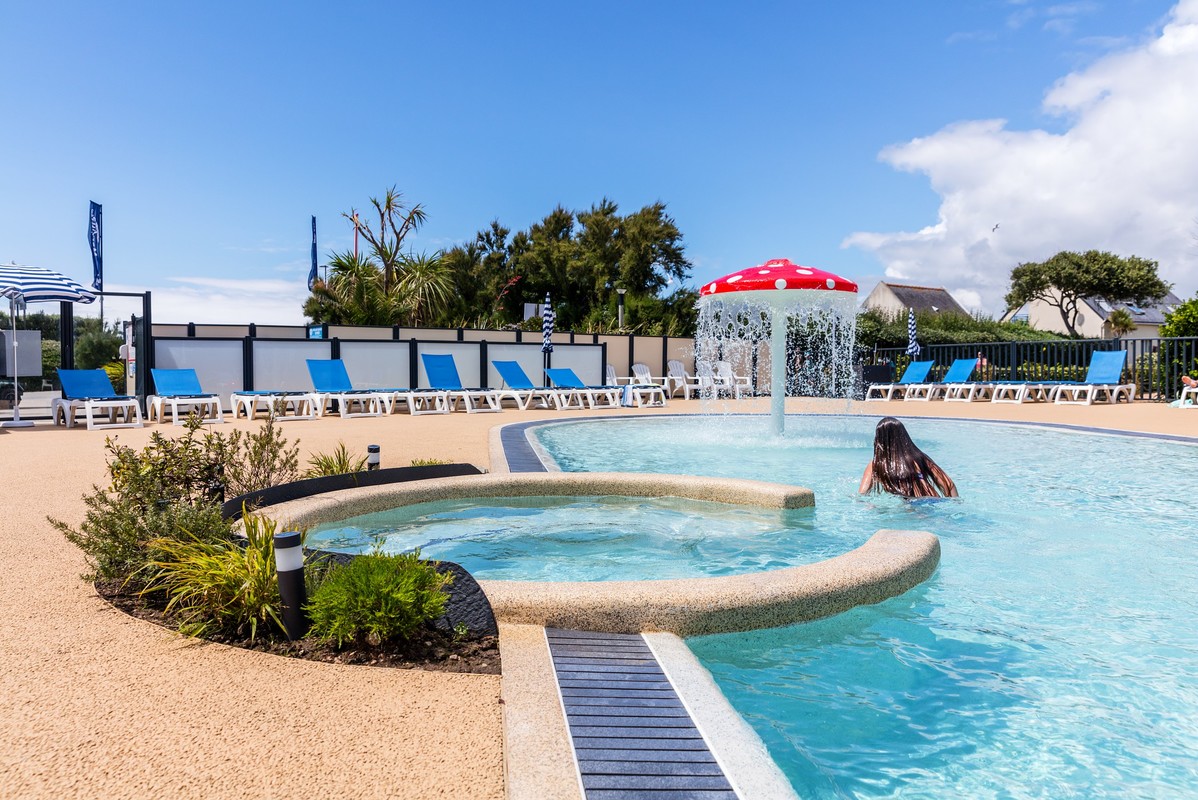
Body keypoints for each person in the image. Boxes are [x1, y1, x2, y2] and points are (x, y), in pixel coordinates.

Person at [859, 416, 958, 499]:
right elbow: (949, 484)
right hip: (932, 501)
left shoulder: (876, 464)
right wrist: (956, 503)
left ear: (879, 439)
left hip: (909, 506)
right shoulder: (919, 457)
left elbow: (862, 494)